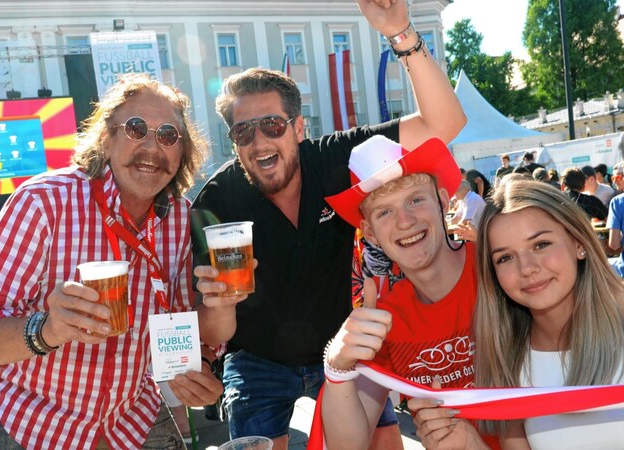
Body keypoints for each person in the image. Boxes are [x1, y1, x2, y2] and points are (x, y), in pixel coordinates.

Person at [190, 1, 466, 448]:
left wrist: (401, 33)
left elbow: (444, 123)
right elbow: (213, 333)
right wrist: (220, 305)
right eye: (244, 132)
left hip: (341, 345)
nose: (260, 140)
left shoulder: (331, 158)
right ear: (234, 143)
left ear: (298, 128)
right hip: (259, 358)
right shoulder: (217, 202)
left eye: (272, 125)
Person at [0, 73, 234, 450]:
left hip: (130, 417)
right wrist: (46, 330)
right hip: (32, 422)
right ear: (107, 137)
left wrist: (198, 367)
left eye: (169, 135)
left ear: (182, 152)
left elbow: (180, 323)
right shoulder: (43, 204)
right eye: (137, 129)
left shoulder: (181, 220)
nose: (152, 147)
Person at [409, 179, 624, 449]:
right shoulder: (508, 355)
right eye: (505, 258)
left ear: (579, 243)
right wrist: (468, 443)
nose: (528, 268)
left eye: (541, 244)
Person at [320, 136, 497, 449]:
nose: (405, 221)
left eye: (415, 200)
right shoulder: (384, 319)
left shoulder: (498, 270)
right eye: (384, 212)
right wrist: (337, 367)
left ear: (443, 202)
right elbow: (348, 444)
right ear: (370, 232)